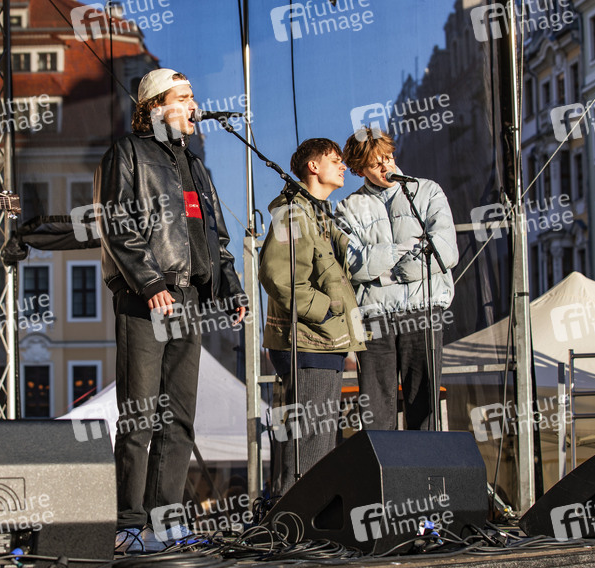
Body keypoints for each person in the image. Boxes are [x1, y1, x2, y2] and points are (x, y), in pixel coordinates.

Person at [95, 68, 246, 551]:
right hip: (147, 299)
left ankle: (166, 521)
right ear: (155, 107)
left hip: (191, 300)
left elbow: (216, 238)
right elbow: (117, 222)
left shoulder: (194, 164)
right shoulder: (128, 152)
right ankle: (128, 525)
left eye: (193, 95)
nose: (194, 104)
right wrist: (149, 282)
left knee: (178, 417)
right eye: (184, 96)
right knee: (139, 415)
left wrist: (232, 289)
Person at [258, 138, 365, 497]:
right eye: (335, 160)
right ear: (313, 166)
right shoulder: (293, 213)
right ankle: (294, 517)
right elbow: (277, 275)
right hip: (308, 340)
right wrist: (326, 309)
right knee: (310, 440)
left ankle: (306, 513)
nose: (343, 166)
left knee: (319, 438)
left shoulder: (319, 214)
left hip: (322, 340)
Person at [334, 128, 458, 431]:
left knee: (424, 405)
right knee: (376, 410)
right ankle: (380, 464)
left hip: (423, 309)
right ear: (359, 169)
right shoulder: (347, 208)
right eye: (375, 163)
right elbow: (352, 264)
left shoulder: (427, 191)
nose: (386, 166)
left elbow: (444, 251)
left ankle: (425, 463)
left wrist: (388, 272)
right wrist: (403, 251)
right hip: (373, 316)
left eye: (388, 157)